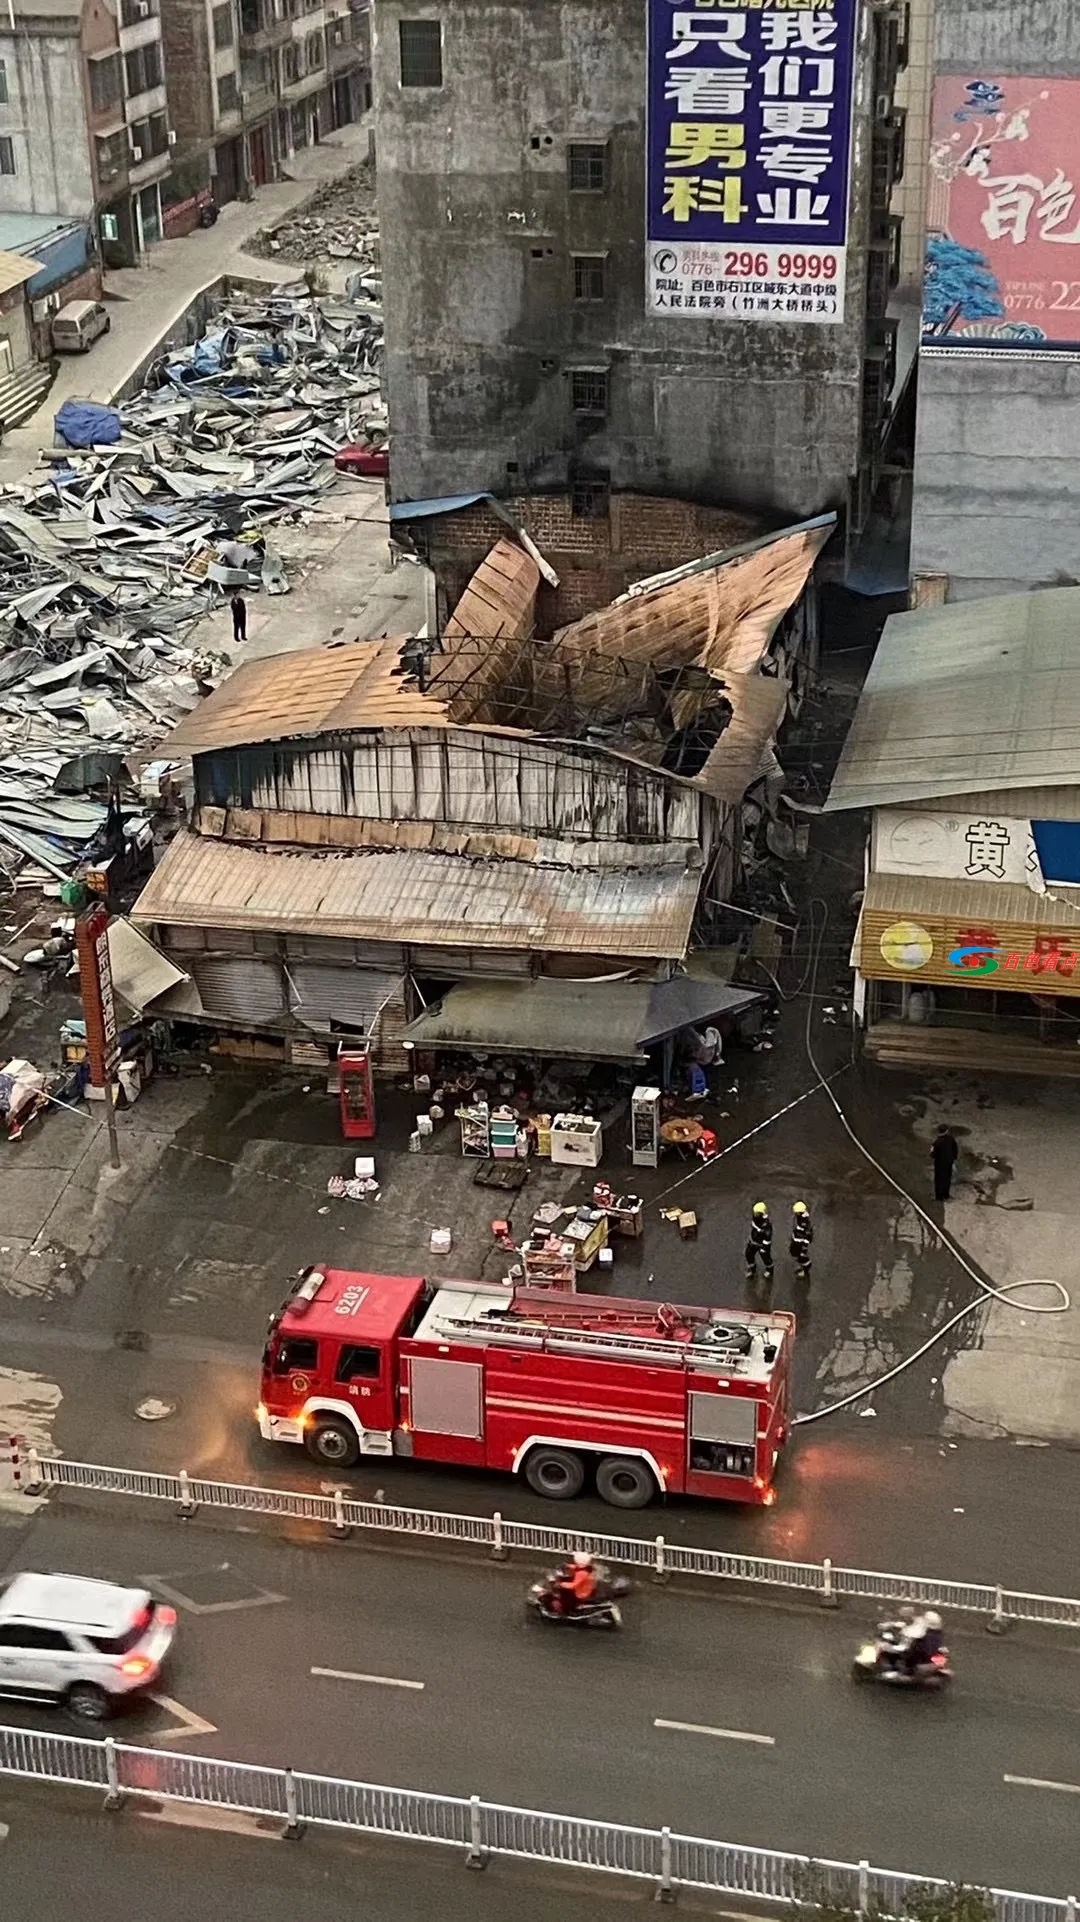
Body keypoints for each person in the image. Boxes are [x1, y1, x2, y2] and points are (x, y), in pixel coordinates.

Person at [556, 1551, 597, 1615]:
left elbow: (573, 1585)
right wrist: (566, 1565)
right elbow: (576, 1567)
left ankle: (567, 1609)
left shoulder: (582, 1573)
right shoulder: (587, 1568)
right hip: (586, 1589)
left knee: (566, 1594)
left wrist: (561, 1584)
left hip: (581, 1594)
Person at [745, 1202, 774, 1285]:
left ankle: (769, 1270)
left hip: (762, 1245)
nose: (755, 1215)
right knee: (748, 1254)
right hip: (753, 1241)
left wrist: (765, 1248)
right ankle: (752, 1269)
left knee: (766, 1258)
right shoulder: (755, 1220)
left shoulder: (766, 1225)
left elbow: (767, 1238)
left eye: (757, 1213)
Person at [931, 1124, 959, 1201]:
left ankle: (939, 1196)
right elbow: (955, 1149)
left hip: (939, 1164)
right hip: (949, 1163)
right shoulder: (951, 1139)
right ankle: (946, 1195)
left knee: (939, 1180)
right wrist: (953, 1159)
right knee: (947, 1179)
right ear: (946, 1131)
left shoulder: (937, 1142)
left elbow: (933, 1154)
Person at [789, 1201, 813, 1280]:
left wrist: (804, 1247)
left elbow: (808, 1235)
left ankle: (806, 1269)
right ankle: (802, 1266)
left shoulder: (805, 1223)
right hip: (796, 1240)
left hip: (801, 1243)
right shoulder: (799, 1218)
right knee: (794, 1252)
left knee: (801, 1256)